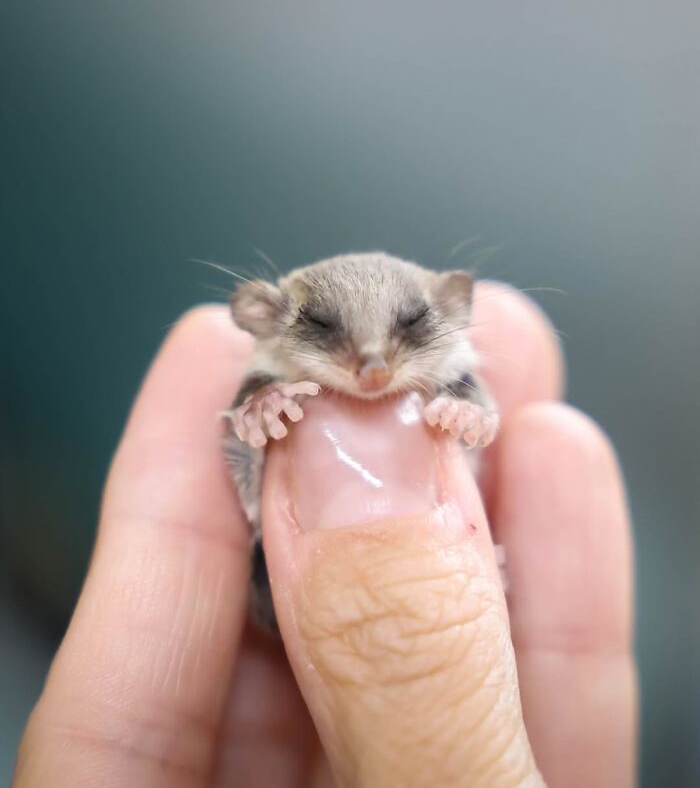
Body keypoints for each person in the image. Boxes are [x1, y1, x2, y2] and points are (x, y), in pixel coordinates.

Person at [13, 284, 636, 787]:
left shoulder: (457, 373)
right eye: (324, 330)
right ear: (264, 318)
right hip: (273, 600)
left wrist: (470, 418)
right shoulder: (264, 377)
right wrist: (257, 413)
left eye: (410, 330)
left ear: (451, 309)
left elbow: (483, 422)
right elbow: (240, 457)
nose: (372, 366)